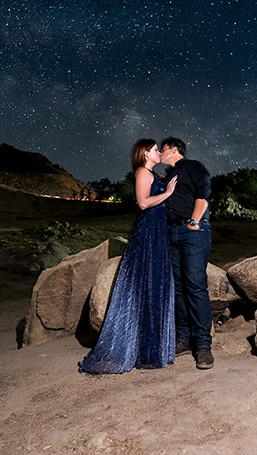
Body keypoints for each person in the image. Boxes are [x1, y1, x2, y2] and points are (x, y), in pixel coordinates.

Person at [78, 139, 178, 374]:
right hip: (148, 232)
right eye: (155, 149)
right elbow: (143, 203)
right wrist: (169, 192)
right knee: (146, 286)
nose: (158, 152)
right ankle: (145, 351)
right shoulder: (142, 172)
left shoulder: (152, 173)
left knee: (155, 286)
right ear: (145, 154)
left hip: (158, 232)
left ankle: (152, 349)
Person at [160, 137, 214, 370]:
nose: (159, 153)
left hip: (192, 231)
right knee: (179, 287)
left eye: (162, 150)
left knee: (195, 285)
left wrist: (194, 220)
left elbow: (204, 193)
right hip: (172, 234)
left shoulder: (194, 167)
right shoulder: (168, 175)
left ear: (173, 149)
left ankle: (203, 346)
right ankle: (183, 340)